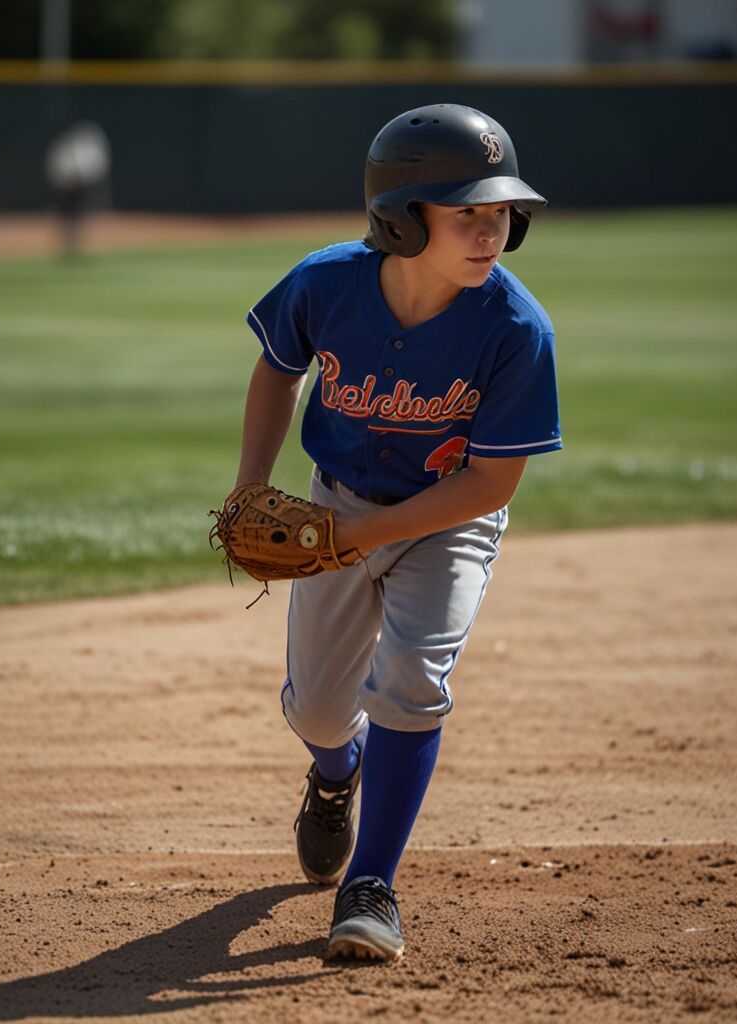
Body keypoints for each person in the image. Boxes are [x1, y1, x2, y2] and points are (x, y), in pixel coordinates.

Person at [233, 104, 562, 961]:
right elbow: (277, 373)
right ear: (399, 216)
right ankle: (336, 776)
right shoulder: (325, 283)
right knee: (318, 708)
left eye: (501, 214)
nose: (491, 231)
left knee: (413, 673)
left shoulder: (518, 330)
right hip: (336, 500)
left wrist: (372, 531)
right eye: (466, 213)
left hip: (449, 519)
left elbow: (490, 481)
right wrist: (251, 487)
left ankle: (370, 884)